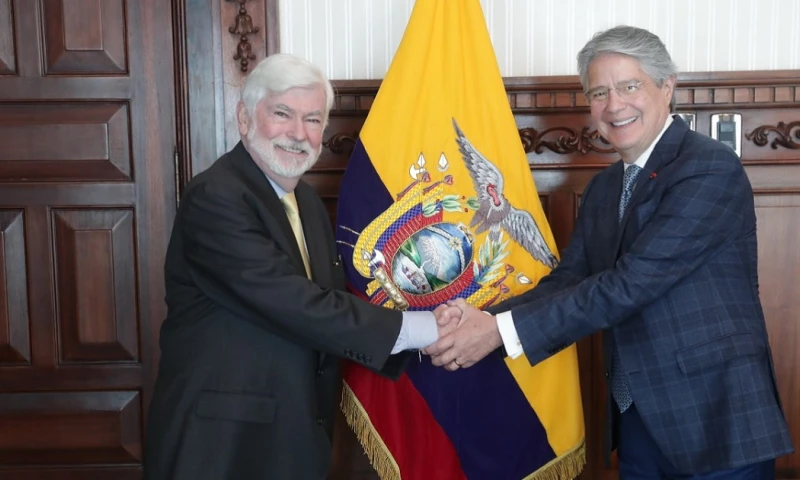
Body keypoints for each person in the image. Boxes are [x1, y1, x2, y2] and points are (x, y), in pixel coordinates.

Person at [427, 25, 793, 478]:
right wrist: (482, 318)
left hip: (716, 418)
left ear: (667, 87)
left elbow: (630, 284)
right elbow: (570, 280)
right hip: (637, 415)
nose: (614, 105)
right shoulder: (604, 188)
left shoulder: (708, 167)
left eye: (629, 86)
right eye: (599, 92)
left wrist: (498, 332)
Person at [143, 54, 457, 480]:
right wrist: (426, 328)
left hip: (290, 435)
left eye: (312, 120)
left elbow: (328, 302)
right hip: (220, 445)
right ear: (244, 118)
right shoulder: (215, 196)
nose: (297, 133)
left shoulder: (304, 201)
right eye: (282, 114)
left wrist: (432, 329)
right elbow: (295, 303)